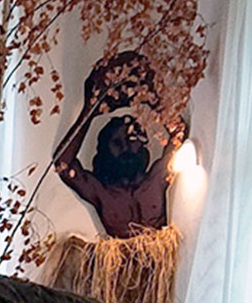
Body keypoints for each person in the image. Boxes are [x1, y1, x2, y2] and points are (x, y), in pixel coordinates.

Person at [53, 50, 188, 239]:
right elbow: (63, 164)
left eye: (131, 140)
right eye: (117, 143)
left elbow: (178, 131)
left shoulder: (157, 179)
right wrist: (89, 112)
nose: (126, 148)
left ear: (142, 144)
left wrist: (152, 98)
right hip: (119, 265)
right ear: (105, 150)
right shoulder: (102, 192)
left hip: (164, 262)